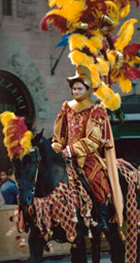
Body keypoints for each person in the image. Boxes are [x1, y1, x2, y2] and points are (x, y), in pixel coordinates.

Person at [51, 66, 121, 229]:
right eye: (74, 88)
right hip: (64, 156)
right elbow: (60, 134)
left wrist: (73, 150)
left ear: (88, 89)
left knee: (94, 179)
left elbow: (94, 139)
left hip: (87, 156)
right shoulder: (66, 107)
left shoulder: (95, 110)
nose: (75, 91)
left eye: (79, 88)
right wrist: (56, 147)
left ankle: (102, 215)